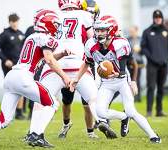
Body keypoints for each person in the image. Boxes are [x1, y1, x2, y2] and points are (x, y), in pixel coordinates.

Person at [22, 0, 118, 141]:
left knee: (42, 101)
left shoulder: (54, 15)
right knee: (93, 97)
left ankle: (33, 132)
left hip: (55, 63)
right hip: (77, 62)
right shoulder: (84, 14)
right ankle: (101, 120)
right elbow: (93, 38)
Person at [0, 10, 71, 148]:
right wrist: (64, 76)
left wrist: (61, 54)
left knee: (3, 119)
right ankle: (38, 135)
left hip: (12, 77)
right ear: (48, 25)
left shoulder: (32, 37)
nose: (57, 27)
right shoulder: (46, 38)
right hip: (24, 77)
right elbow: (49, 59)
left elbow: (45, 57)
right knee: (53, 102)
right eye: (55, 24)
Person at [70, 15, 162, 143]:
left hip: (122, 80)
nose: (99, 34)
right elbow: (86, 62)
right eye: (97, 30)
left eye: (103, 31)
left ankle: (154, 136)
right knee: (100, 112)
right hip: (106, 82)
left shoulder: (120, 44)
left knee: (131, 111)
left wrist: (117, 75)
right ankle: (123, 117)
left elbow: (123, 72)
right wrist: (77, 79)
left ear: (112, 31)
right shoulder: (91, 45)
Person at [59, 0, 100, 138]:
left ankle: (91, 131)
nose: (91, 15)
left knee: (88, 101)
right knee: (66, 99)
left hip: (86, 63)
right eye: (89, 12)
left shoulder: (94, 25)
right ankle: (66, 123)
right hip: (70, 62)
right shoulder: (77, 22)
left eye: (93, 13)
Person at [141, 10, 168, 117]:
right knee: (151, 87)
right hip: (152, 65)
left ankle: (159, 111)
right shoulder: (147, 32)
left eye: (159, 17)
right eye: (156, 17)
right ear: (153, 18)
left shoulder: (167, 32)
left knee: (161, 88)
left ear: (162, 18)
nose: (158, 19)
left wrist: (167, 58)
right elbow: (143, 47)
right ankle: (149, 111)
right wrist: (151, 58)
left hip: (164, 64)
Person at [0, 13, 25, 119]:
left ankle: (19, 112)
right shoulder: (5, 34)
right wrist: (5, 60)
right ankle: (6, 112)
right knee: (10, 88)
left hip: (19, 66)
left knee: (21, 86)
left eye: (16, 22)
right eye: (13, 22)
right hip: (8, 66)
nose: (15, 24)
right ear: (9, 22)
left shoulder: (21, 34)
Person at [127, 26, 144, 102]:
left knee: (138, 80)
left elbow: (144, 51)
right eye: (131, 31)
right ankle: (132, 97)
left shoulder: (140, 40)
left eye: (133, 31)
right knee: (130, 80)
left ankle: (138, 97)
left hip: (138, 62)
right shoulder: (127, 40)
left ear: (136, 31)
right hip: (130, 62)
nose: (132, 32)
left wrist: (140, 50)